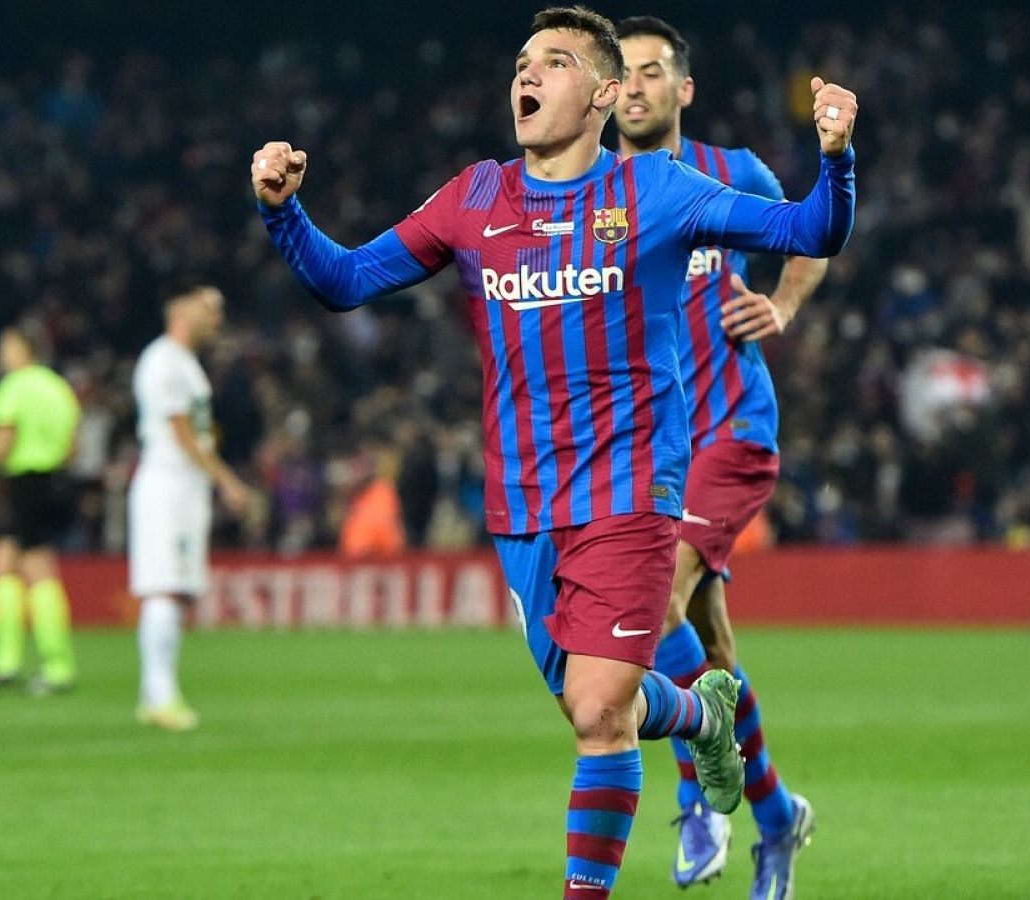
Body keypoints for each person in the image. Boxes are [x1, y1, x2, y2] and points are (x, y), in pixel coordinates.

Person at [252, 7, 857, 896]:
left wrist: (837, 157)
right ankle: (701, 714)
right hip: (524, 502)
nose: (527, 75)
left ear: (604, 94)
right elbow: (345, 279)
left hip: (633, 485)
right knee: (593, 701)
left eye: (557, 62)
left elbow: (813, 231)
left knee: (599, 715)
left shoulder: (659, 190)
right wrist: (283, 212)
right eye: (524, 61)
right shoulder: (475, 198)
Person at [611, 15, 823, 895]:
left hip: (730, 432)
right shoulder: (586, 195)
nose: (634, 88)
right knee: (713, 648)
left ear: (682, 89)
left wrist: (783, 304)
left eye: (652, 73)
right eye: (620, 74)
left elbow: (812, 229)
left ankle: (701, 797)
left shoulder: (732, 175)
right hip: (649, 451)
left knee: (653, 608)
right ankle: (778, 818)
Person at [128, 285, 252, 732]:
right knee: (163, 587)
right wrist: (227, 481)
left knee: (176, 591)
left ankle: (156, 693)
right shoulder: (163, 361)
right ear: (180, 309)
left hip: (185, 486)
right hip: (167, 483)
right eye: (208, 308)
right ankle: (159, 695)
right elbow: (180, 433)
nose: (216, 317)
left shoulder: (184, 363)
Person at [0, 326, 81, 696]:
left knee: (35, 565)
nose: (2, 353)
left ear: (26, 349)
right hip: (55, 480)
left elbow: (2, 443)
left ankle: (55, 665)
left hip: (23, 481)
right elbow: (74, 446)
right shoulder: (59, 388)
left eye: (7, 346)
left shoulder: (16, 386)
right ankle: (6, 662)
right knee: (4, 561)